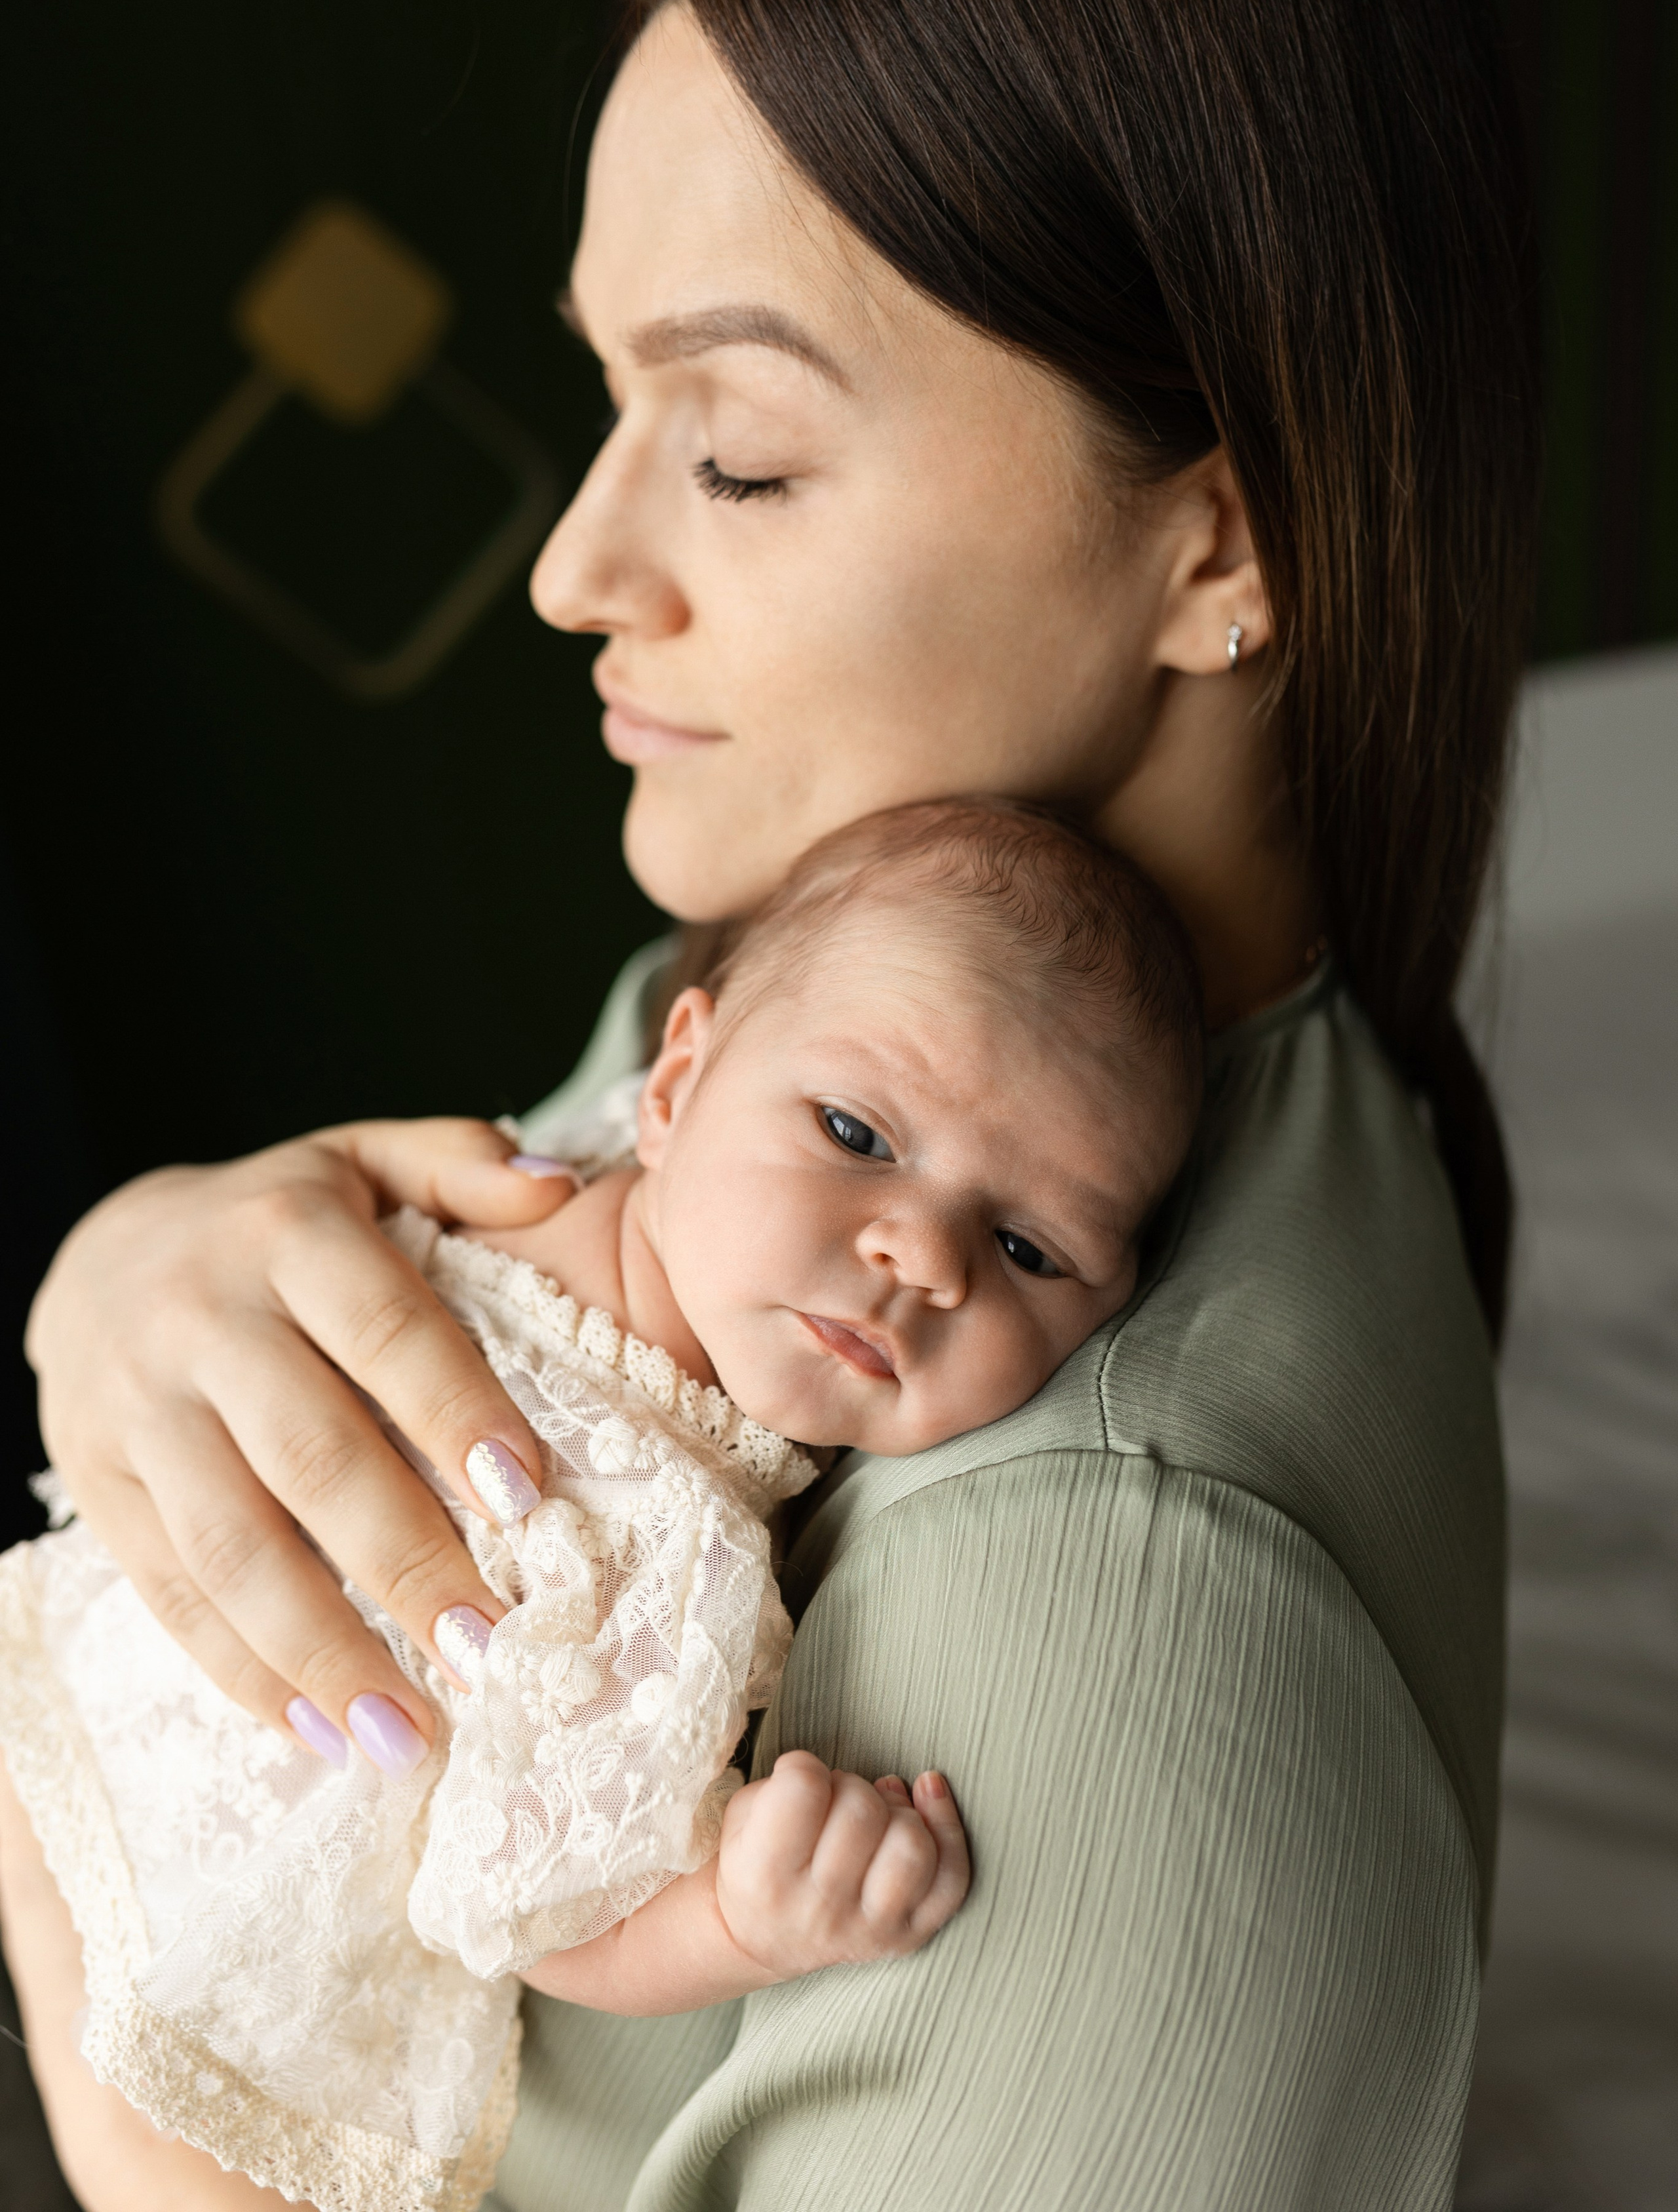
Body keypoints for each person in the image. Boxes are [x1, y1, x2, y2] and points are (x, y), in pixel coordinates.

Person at [3, 0, 1538, 2212]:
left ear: (1218, 551)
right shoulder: (875, 1001)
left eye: (731, 448)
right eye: (614, 404)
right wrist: (132, 1285)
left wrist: (91, 2013)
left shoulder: (1089, 1671)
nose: (571, 568)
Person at [0, 799, 1198, 2212]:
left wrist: (737, 1920)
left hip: (237, 2010)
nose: (918, 1256)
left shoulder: (677, 1545)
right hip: (60, 1705)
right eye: (852, 1130)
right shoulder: (495, 1187)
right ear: (675, 1080)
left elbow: (531, 1912)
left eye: (1025, 1248)